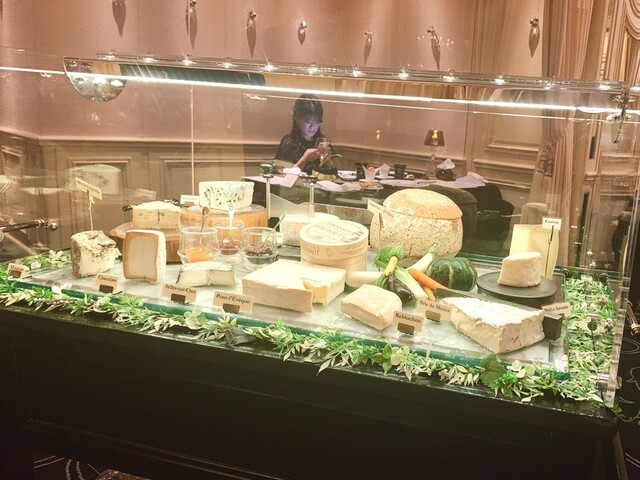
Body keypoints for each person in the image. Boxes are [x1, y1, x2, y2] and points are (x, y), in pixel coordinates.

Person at [275, 94, 335, 175]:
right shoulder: (288, 142)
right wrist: (305, 159)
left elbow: (332, 174)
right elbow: (281, 174)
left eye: (317, 122)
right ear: (297, 119)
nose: (313, 127)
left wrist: (328, 161)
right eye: (308, 122)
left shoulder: (322, 142)